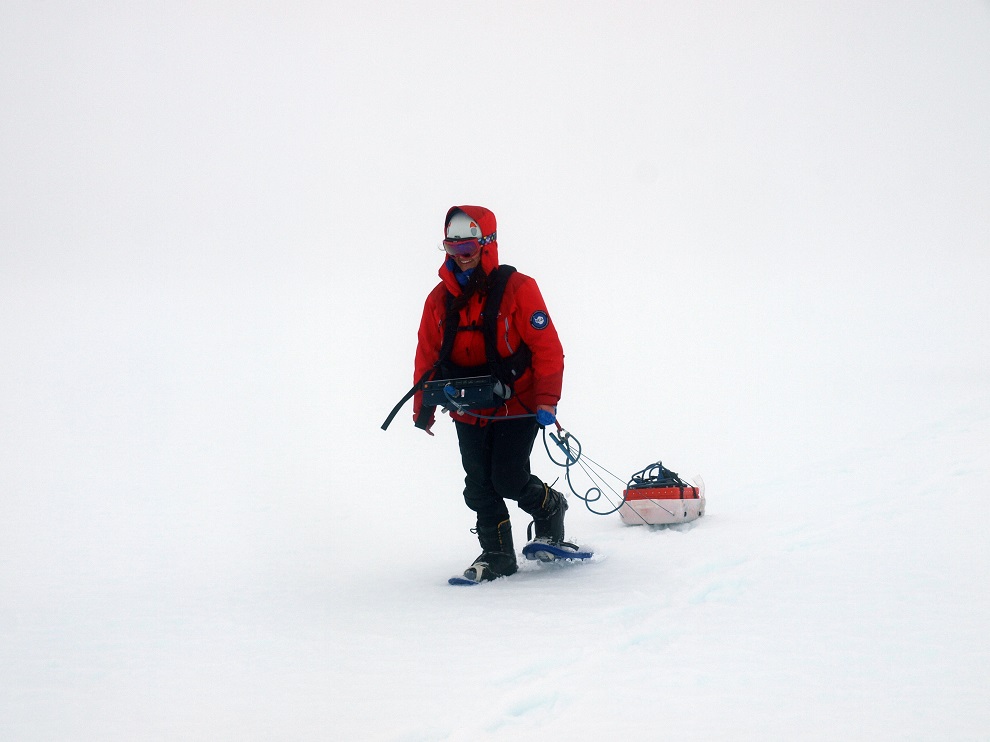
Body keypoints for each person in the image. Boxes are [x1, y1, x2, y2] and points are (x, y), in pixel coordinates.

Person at [412, 205, 569, 583]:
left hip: (519, 405)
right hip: (468, 408)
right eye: (453, 249)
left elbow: (547, 347)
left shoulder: (519, 288)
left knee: (509, 478)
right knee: (479, 485)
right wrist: (424, 409)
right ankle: (498, 554)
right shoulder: (438, 300)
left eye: (469, 248)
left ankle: (550, 508)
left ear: (488, 245)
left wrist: (547, 400)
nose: (462, 257)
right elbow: (427, 353)